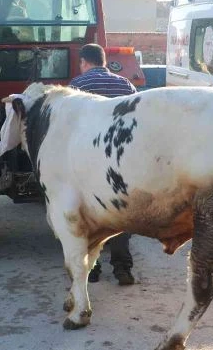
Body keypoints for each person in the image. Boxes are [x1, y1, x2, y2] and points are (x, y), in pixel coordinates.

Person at [69, 43, 137, 286]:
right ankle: (123, 268)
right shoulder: (125, 84)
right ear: (104, 61)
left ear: (85, 62)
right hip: (121, 159)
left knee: (90, 215)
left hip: (91, 159)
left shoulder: (78, 86)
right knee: (120, 213)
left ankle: (93, 270)